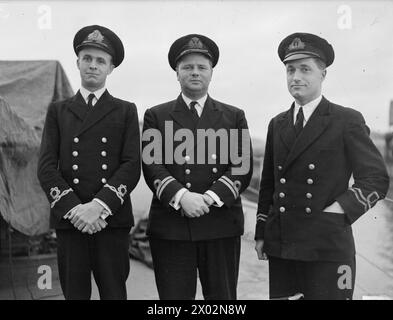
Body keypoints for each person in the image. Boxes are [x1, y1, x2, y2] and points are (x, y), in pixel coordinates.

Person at [254, 32, 390, 300]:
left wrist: (338, 211)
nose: (296, 77)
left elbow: (375, 178)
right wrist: (261, 233)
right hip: (283, 246)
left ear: (323, 74)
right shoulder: (277, 123)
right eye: (290, 69)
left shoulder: (346, 120)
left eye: (305, 69)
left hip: (328, 247)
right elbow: (268, 184)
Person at [142, 34, 253, 300]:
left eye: (201, 67)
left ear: (211, 72)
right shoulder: (155, 115)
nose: (195, 72)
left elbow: (242, 165)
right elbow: (151, 164)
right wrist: (182, 197)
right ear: (177, 73)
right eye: (187, 67)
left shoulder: (234, 116)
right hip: (172, 227)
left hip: (220, 223)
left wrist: (210, 198)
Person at [37, 25, 141, 300]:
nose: (93, 66)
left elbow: (131, 165)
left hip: (111, 220)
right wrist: (76, 211)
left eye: (100, 61)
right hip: (72, 222)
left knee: (114, 293)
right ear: (78, 62)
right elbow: (46, 167)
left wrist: (99, 207)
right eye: (87, 59)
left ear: (110, 68)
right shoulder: (58, 110)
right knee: (75, 294)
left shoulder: (126, 110)